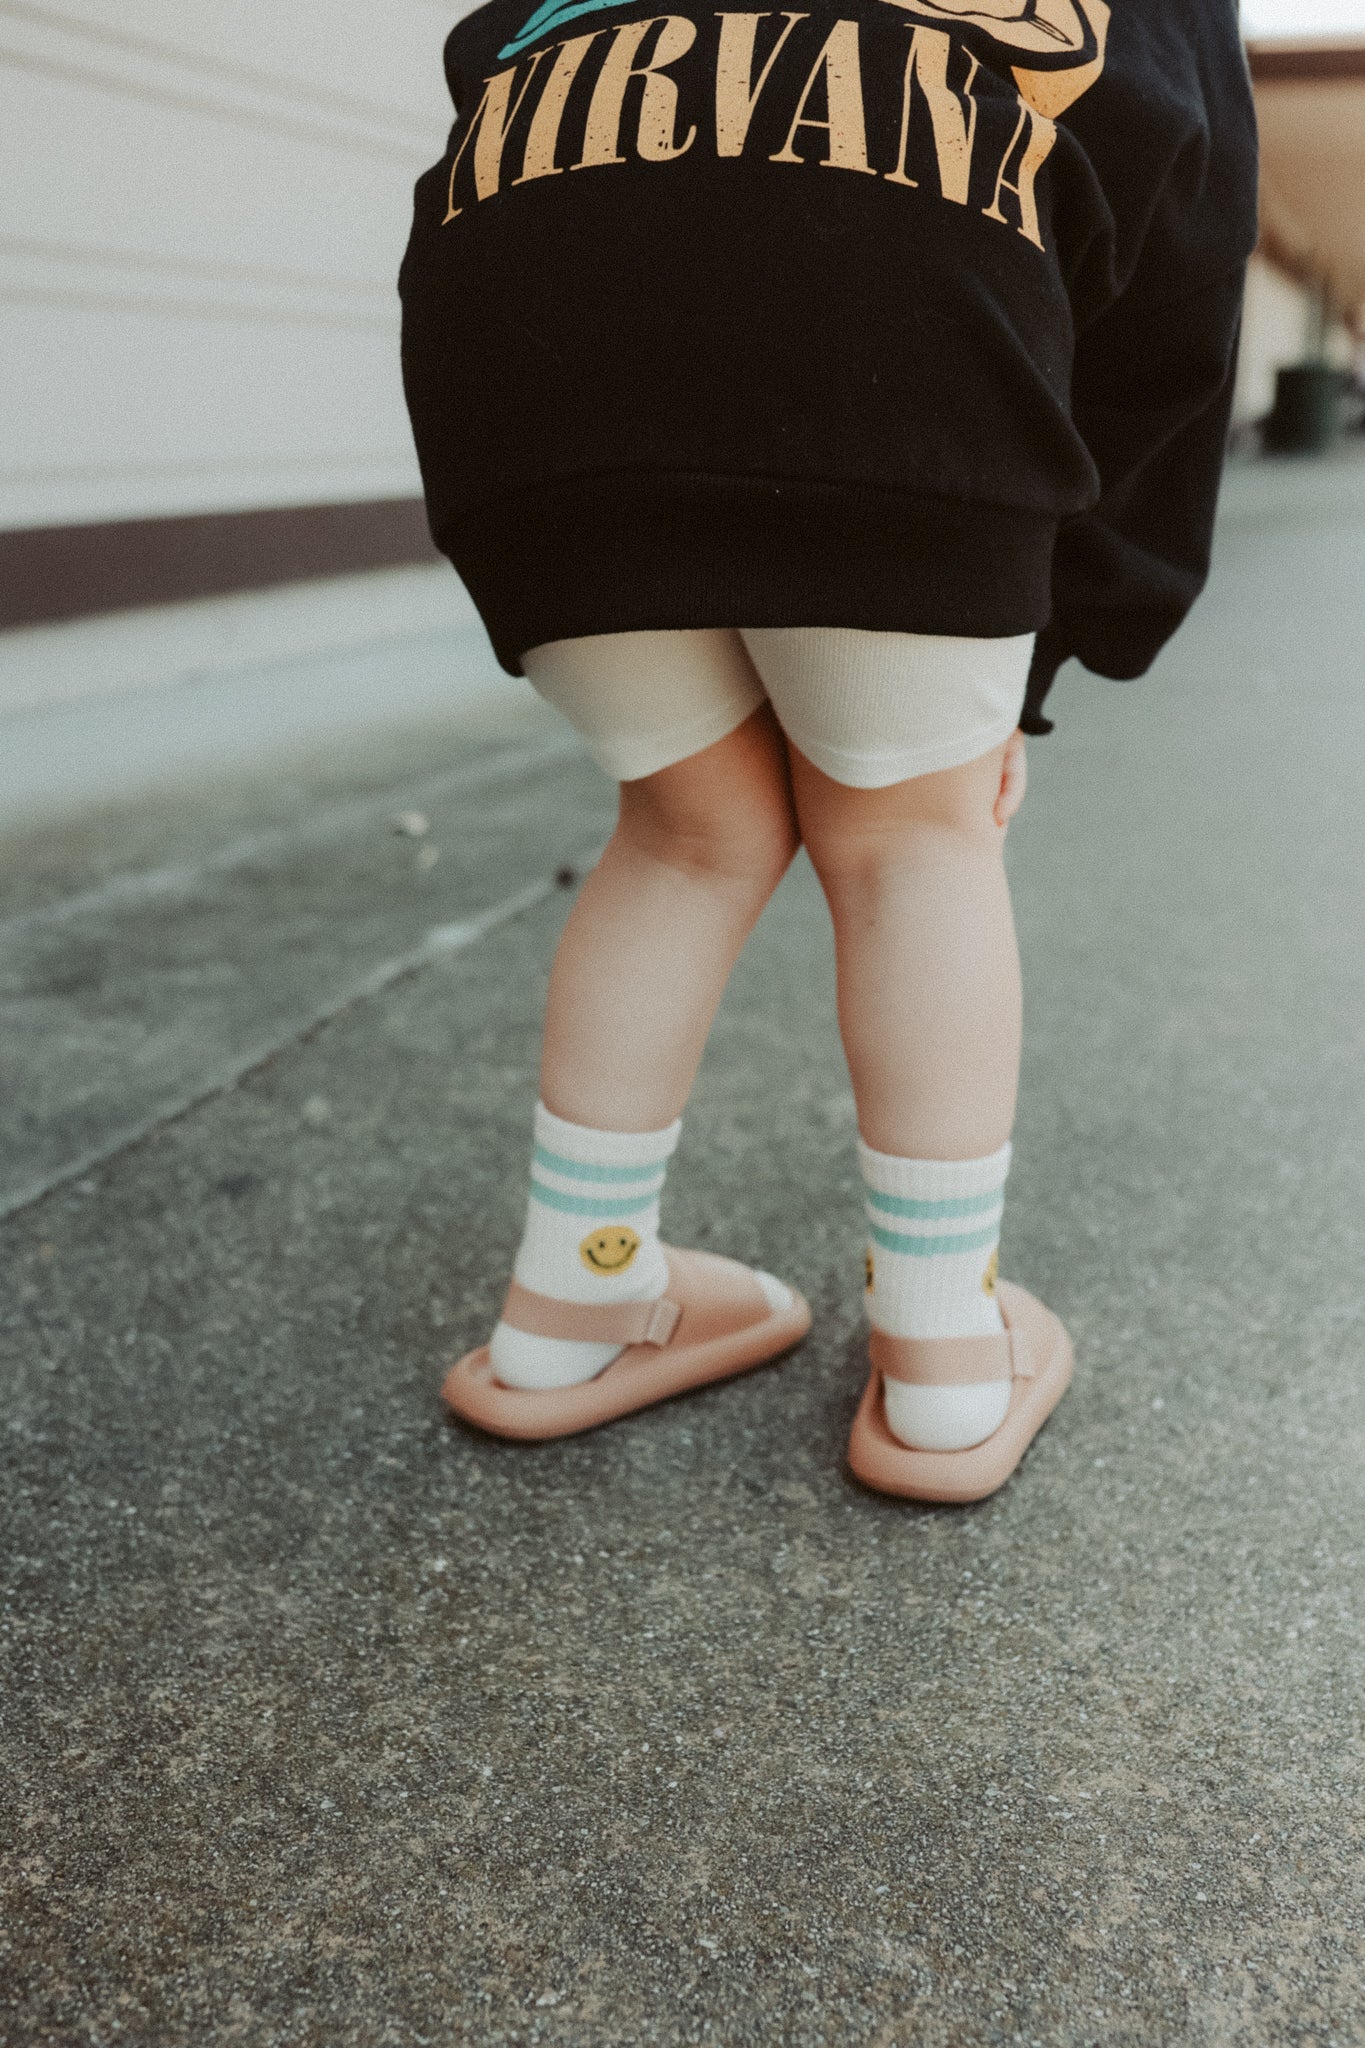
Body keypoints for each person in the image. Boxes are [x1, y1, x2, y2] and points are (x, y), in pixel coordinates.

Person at [399, 0, 1258, 1500]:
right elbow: (1176, 265)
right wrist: (1058, 642)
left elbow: (494, 58)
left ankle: (570, 1305)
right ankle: (940, 1357)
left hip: (524, 314)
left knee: (683, 830)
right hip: (901, 278)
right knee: (912, 839)